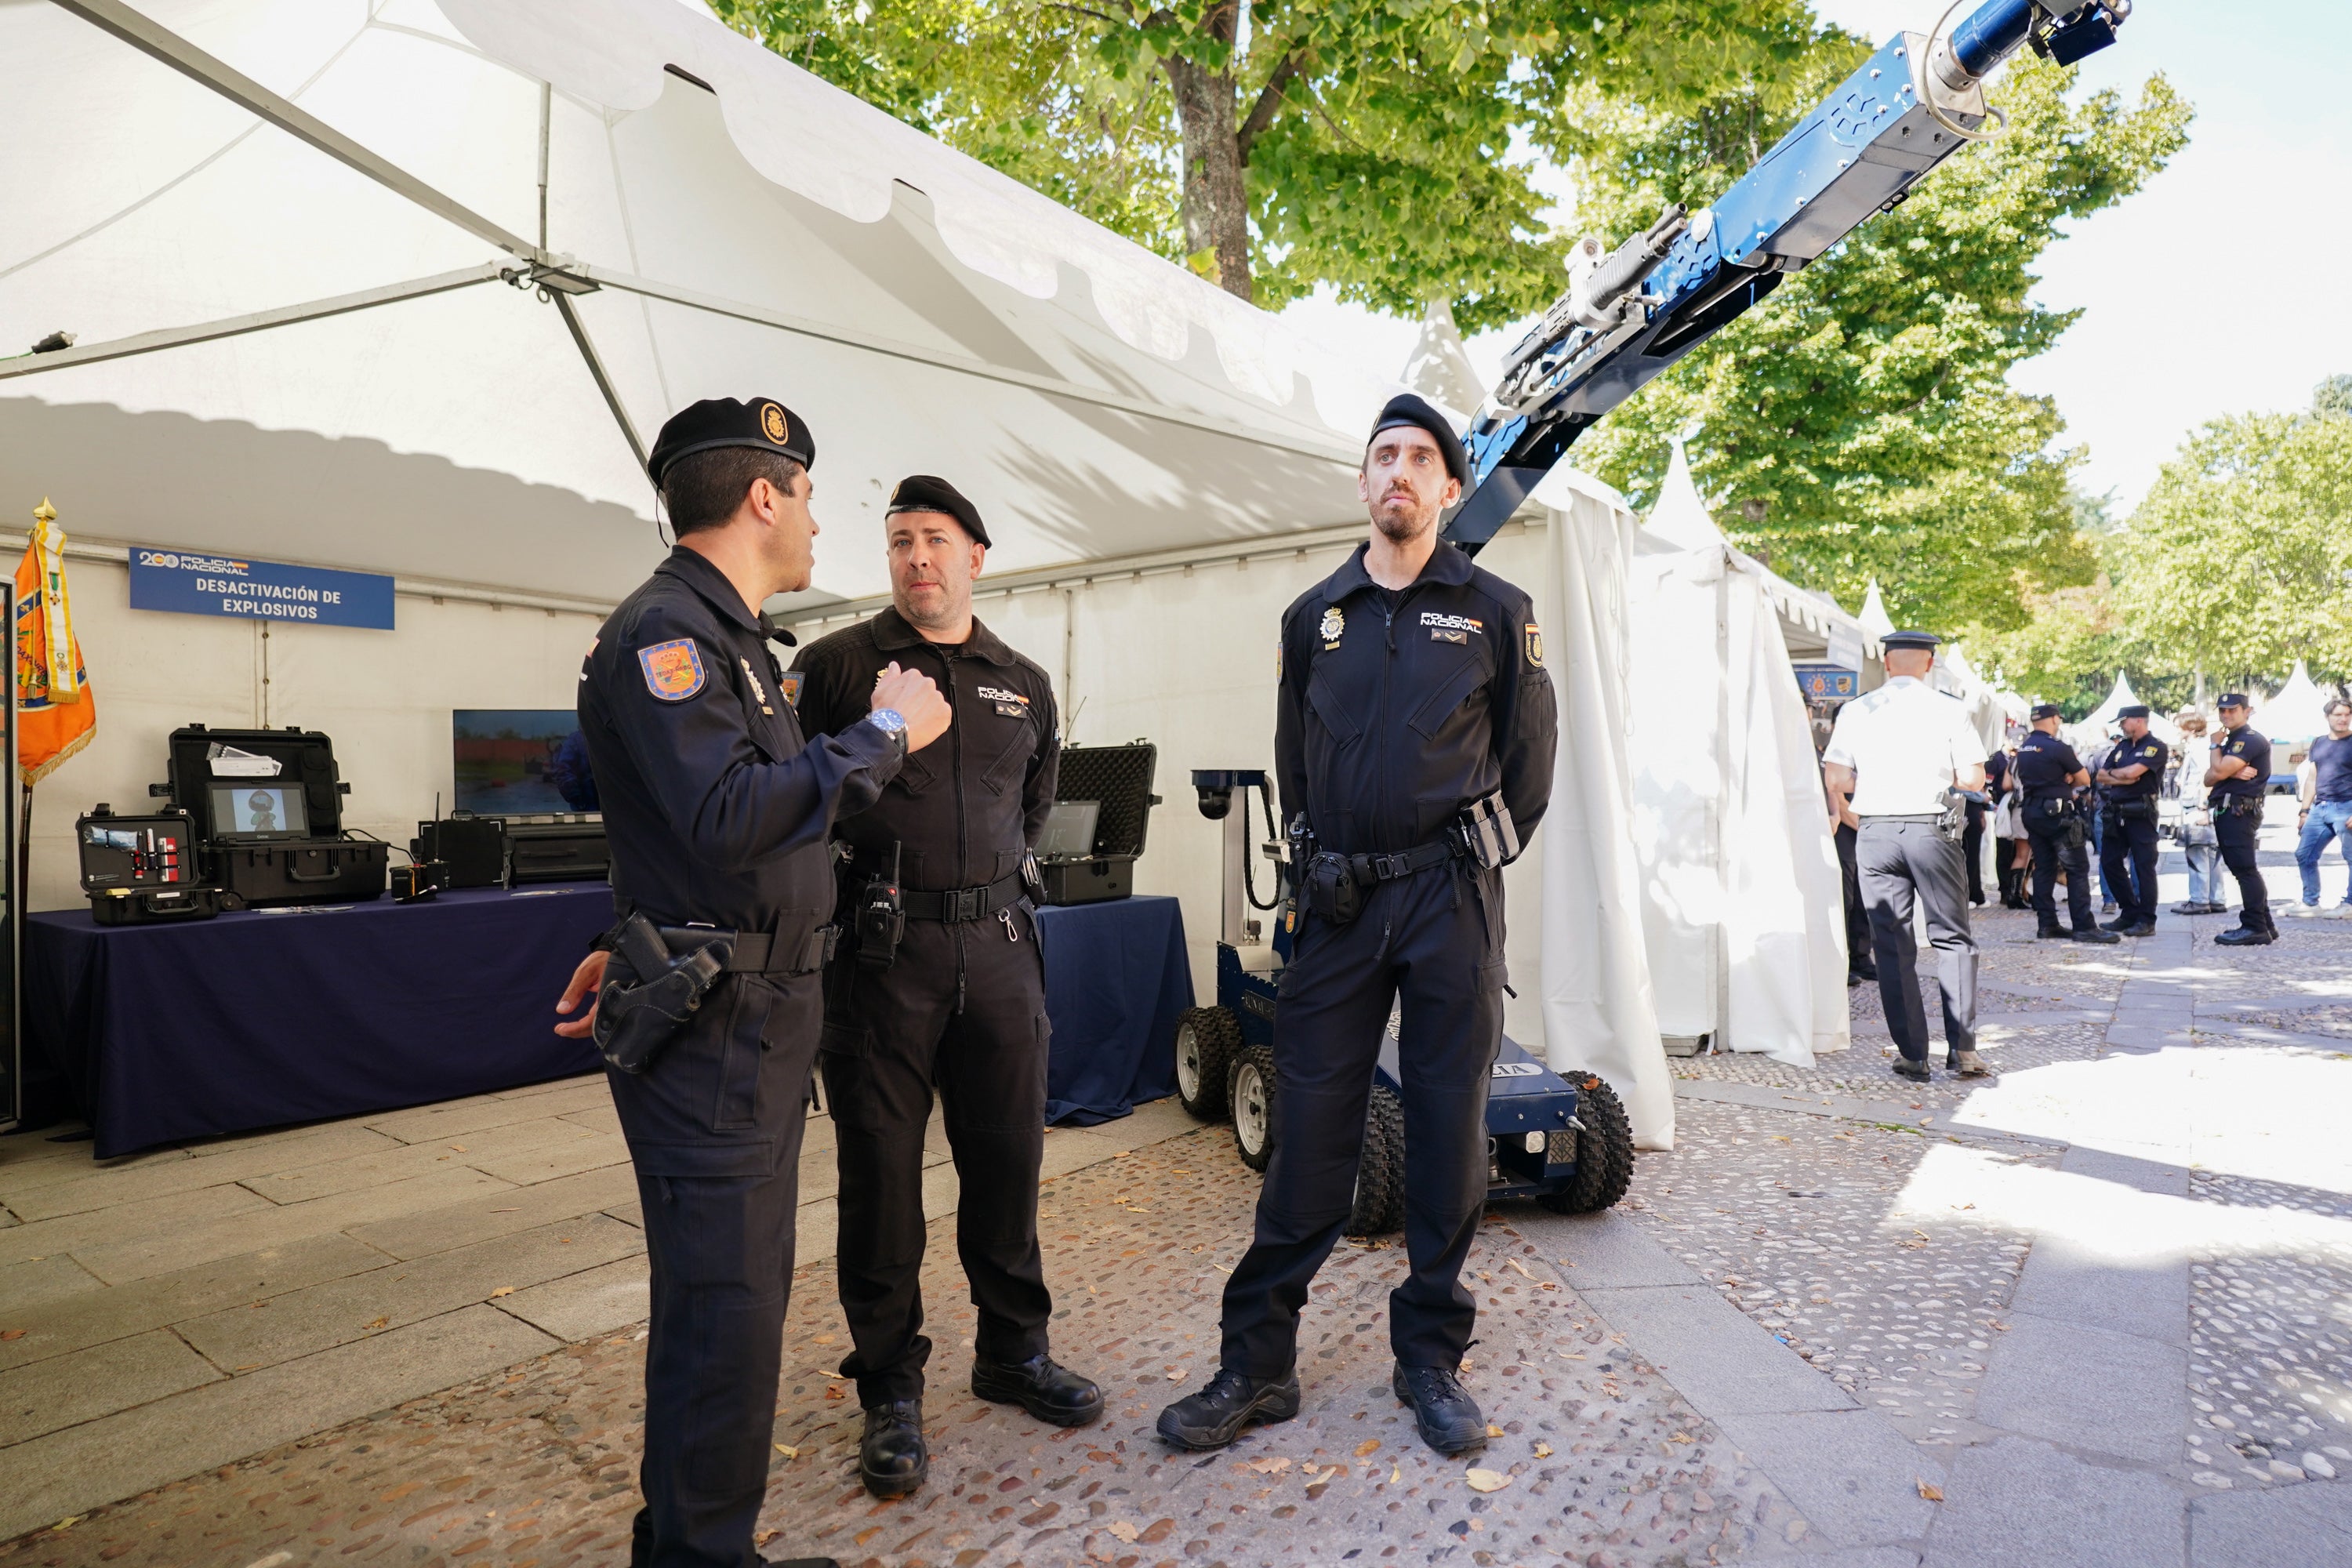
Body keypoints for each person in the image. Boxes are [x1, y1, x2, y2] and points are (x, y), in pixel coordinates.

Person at [553, 397, 952, 1568]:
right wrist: (882, 734)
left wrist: (637, 923)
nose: (820, 518)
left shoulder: (726, 637)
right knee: (724, 1319)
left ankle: (690, 1547)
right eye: (812, 494)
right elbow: (728, 817)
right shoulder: (669, 632)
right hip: (720, 1035)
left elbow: (661, 822)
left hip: (751, 1018)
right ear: (764, 495)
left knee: (726, 1312)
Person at [1158, 393, 1556, 1458]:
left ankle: (1429, 1355)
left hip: (1449, 903)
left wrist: (1467, 857)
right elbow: (1296, 762)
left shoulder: (1494, 610)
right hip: (1336, 906)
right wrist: (1313, 858)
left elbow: (1529, 764)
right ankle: (1259, 1363)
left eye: (1422, 458)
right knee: (1309, 1132)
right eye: (1385, 455)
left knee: (1446, 1133)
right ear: (1365, 481)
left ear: (1449, 489)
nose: (1401, 473)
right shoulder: (1314, 615)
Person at [787, 476, 1102, 1499]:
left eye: (935, 541)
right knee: (880, 1180)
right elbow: (794, 807)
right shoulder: (836, 666)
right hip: (882, 958)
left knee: (1006, 1163)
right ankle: (888, 1383)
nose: (916, 558)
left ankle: (1013, 1350)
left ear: (976, 556)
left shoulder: (1023, 681)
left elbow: (1033, 803)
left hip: (1001, 948)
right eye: (898, 542)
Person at [1820, 630, 1992, 1082]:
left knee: (1892, 945)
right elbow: (1973, 778)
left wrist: (1878, 782)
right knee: (1953, 938)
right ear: (1930, 663)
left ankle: (1913, 1054)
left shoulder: (1857, 709)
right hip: (1931, 828)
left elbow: (1837, 777)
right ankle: (1964, 1050)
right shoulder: (1951, 708)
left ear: (1886, 661)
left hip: (1876, 830)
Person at [2013, 702, 2122, 948]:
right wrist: (2070, 777)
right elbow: (2084, 779)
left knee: (2044, 869)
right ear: (2054, 719)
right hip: (2058, 814)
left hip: (2032, 811)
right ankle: (2084, 926)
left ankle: (2047, 924)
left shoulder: (2024, 748)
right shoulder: (2057, 747)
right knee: (2077, 868)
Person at [2206, 693, 2276, 946]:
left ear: (2247, 711)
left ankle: (2255, 926)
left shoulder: (2248, 739)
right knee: (2244, 869)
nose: (2226, 715)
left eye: (2232, 710)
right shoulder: (2232, 740)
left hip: (2239, 811)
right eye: (2222, 711)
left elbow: (2217, 771)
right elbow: (2208, 778)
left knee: (2245, 870)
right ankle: (2265, 924)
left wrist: (2215, 749)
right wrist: (2229, 772)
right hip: (2231, 809)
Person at [2093, 704, 2168, 935]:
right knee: (2109, 862)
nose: (2121, 726)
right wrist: (2123, 778)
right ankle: (2129, 912)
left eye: (2124, 721)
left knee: (2144, 866)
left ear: (2138, 720)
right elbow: (2101, 776)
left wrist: (2123, 775)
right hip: (2116, 812)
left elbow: (2133, 773)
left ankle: (2147, 919)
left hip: (2140, 813)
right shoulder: (2122, 747)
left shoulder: (2155, 747)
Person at [2295, 697, 2352, 913]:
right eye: (2338, 715)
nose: (2343, 719)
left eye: (2347, 714)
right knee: (2304, 854)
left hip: (2347, 806)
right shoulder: (2319, 742)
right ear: (2327, 717)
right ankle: (2310, 903)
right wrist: (2304, 811)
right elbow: (2312, 777)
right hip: (2321, 808)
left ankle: (2350, 904)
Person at [1828, 750, 1877, 985]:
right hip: (1847, 837)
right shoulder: (1837, 760)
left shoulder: (1869, 757)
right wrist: (1872, 827)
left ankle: (1861, 957)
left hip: (1867, 836)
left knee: (1863, 899)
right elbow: (1839, 802)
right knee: (1845, 899)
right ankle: (1842, 961)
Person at [2172, 710, 2225, 915]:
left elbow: (2208, 776)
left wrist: (2203, 806)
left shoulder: (2199, 748)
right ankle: (2215, 898)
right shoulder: (2198, 747)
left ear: (2191, 728)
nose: (2177, 731)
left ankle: (2199, 899)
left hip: (2197, 806)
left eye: (2179, 726)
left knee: (2197, 852)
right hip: (2201, 806)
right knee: (2210, 854)